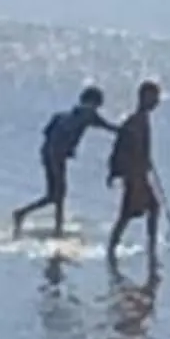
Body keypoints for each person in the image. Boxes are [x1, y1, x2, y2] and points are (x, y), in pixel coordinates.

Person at [12, 86, 113, 237]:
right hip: (57, 155)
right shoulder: (88, 114)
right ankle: (57, 228)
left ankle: (24, 214)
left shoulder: (62, 115)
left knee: (54, 194)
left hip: (48, 153)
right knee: (59, 193)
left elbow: (46, 132)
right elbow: (109, 127)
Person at [106, 79, 167, 270]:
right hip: (134, 177)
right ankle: (113, 248)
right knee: (127, 214)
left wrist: (146, 161)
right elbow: (120, 148)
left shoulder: (142, 120)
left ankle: (149, 247)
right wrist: (117, 171)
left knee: (153, 208)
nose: (156, 102)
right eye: (153, 98)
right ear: (144, 97)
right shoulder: (134, 121)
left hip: (140, 175)